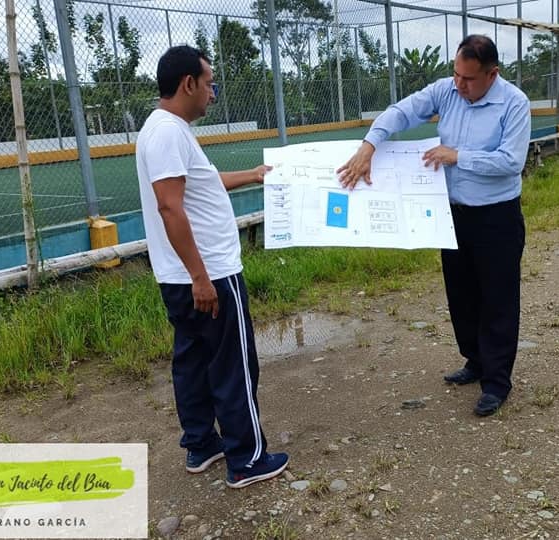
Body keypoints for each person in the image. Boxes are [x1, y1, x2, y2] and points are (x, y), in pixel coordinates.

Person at [337, 35, 530, 417]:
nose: (460, 84)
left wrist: (457, 156)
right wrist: (369, 144)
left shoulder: (514, 103)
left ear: (492, 74)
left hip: (496, 216)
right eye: (456, 74)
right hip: (452, 214)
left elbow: (511, 161)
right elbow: (402, 111)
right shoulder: (446, 91)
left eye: (469, 79)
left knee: (497, 298)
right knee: (461, 293)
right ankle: (475, 361)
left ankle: (496, 382)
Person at [135, 45, 289, 488]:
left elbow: (201, 184)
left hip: (180, 276)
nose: (213, 93)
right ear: (189, 84)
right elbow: (170, 207)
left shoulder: (164, 129)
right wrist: (201, 277)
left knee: (193, 362)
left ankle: (202, 444)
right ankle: (247, 459)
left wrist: (253, 174)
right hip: (209, 275)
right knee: (232, 365)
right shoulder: (168, 133)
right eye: (209, 83)